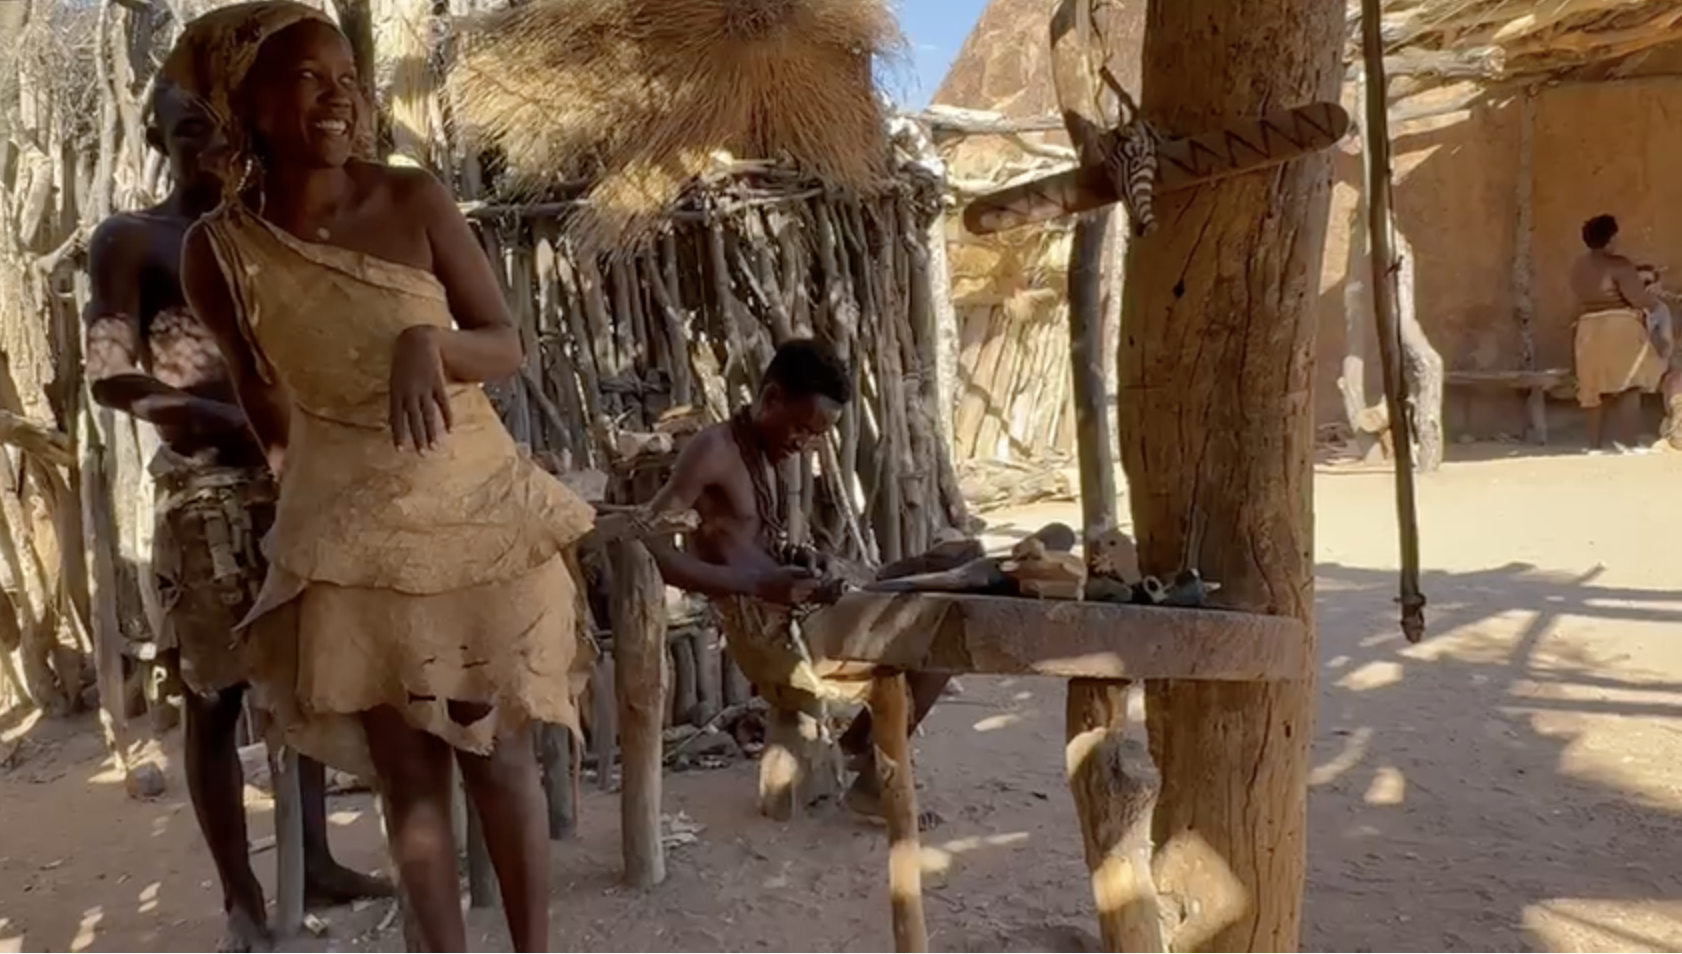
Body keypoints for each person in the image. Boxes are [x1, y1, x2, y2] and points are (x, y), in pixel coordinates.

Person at [164, 4, 597, 950]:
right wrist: (310, 502)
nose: (340, 96)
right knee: (411, 793)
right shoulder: (220, 254)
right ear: (250, 102)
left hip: (476, 517)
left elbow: (505, 344)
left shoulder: (414, 200)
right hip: (351, 538)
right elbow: (259, 391)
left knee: (497, 759)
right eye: (311, 77)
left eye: (349, 78)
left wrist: (426, 343)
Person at [83, 75, 387, 951]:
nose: (207, 149)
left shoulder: (272, 233)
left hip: (298, 483)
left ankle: (318, 862)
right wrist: (231, 422)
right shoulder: (132, 239)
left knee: (312, 672)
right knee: (214, 695)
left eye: (221, 132)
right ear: (158, 139)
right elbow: (112, 376)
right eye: (186, 133)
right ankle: (240, 898)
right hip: (206, 493)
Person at [644, 338, 950, 824]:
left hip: (791, 617)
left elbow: (758, 542)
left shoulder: (763, 452)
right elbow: (651, 547)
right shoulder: (713, 450)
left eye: (816, 438)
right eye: (802, 430)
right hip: (768, 637)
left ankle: (856, 747)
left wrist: (808, 561)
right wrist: (755, 584)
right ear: (770, 399)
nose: (804, 445)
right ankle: (870, 777)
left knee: (936, 597)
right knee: (939, 638)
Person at [1569, 214, 1667, 452]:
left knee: (1592, 388)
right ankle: (1629, 443)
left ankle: (1593, 446)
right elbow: (1637, 299)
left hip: (1588, 328)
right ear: (1611, 238)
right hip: (1619, 326)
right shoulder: (1620, 264)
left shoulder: (1578, 266)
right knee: (1629, 384)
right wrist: (1655, 302)